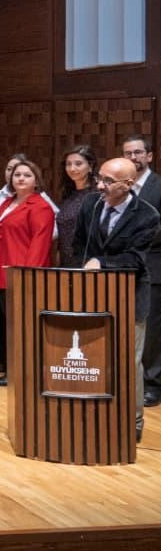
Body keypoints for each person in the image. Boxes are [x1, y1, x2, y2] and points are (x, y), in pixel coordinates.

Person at [74, 156, 160, 441]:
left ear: (128, 184)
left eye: (108, 181)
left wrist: (101, 263)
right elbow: (79, 244)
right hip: (92, 294)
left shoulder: (147, 215)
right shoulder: (91, 204)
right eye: (100, 178)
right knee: (94, 357)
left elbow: (135, 259)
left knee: (129, 362)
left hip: (129, 297)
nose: (100, 185)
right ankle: (93, 415)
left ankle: (133, 421)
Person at [0, 158, 54, 386]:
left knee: (19, 325)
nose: (21, 178)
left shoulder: (40, 206)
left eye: (27, 175)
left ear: (36, 180)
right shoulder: (7, 202)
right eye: (17, 175)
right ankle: (6, 363)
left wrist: (26, 275)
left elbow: (40, 245)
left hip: (20, 274)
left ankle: (20, 370)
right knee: (2, 322)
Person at [122, 135, 161, 407]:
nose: (133, 157)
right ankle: (130, 382)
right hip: (123, 269)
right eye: (128, 153)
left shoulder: (158, 186)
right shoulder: (119, 186)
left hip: (153, 266)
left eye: (137, 152)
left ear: (149, 156)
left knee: (152, 330)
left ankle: (153, 383)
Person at [55, 145, 99, 266]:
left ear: (90, 166)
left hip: (88, 260)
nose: (72, 168)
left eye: (78, 164)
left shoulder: (97, 194)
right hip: (66, 259)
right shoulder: (68, 194)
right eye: (68, 164)